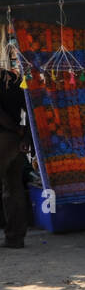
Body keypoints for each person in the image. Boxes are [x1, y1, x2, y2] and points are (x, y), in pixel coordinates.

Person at [0, 68, 32, 248]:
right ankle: (15, 238)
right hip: (15, 140)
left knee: (12, 189)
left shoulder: (11, 78)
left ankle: (14, 236)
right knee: (13, 189)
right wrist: (24, 136)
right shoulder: (14, 78)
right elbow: (30, 108)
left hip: (5, 136)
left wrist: (16, 130)